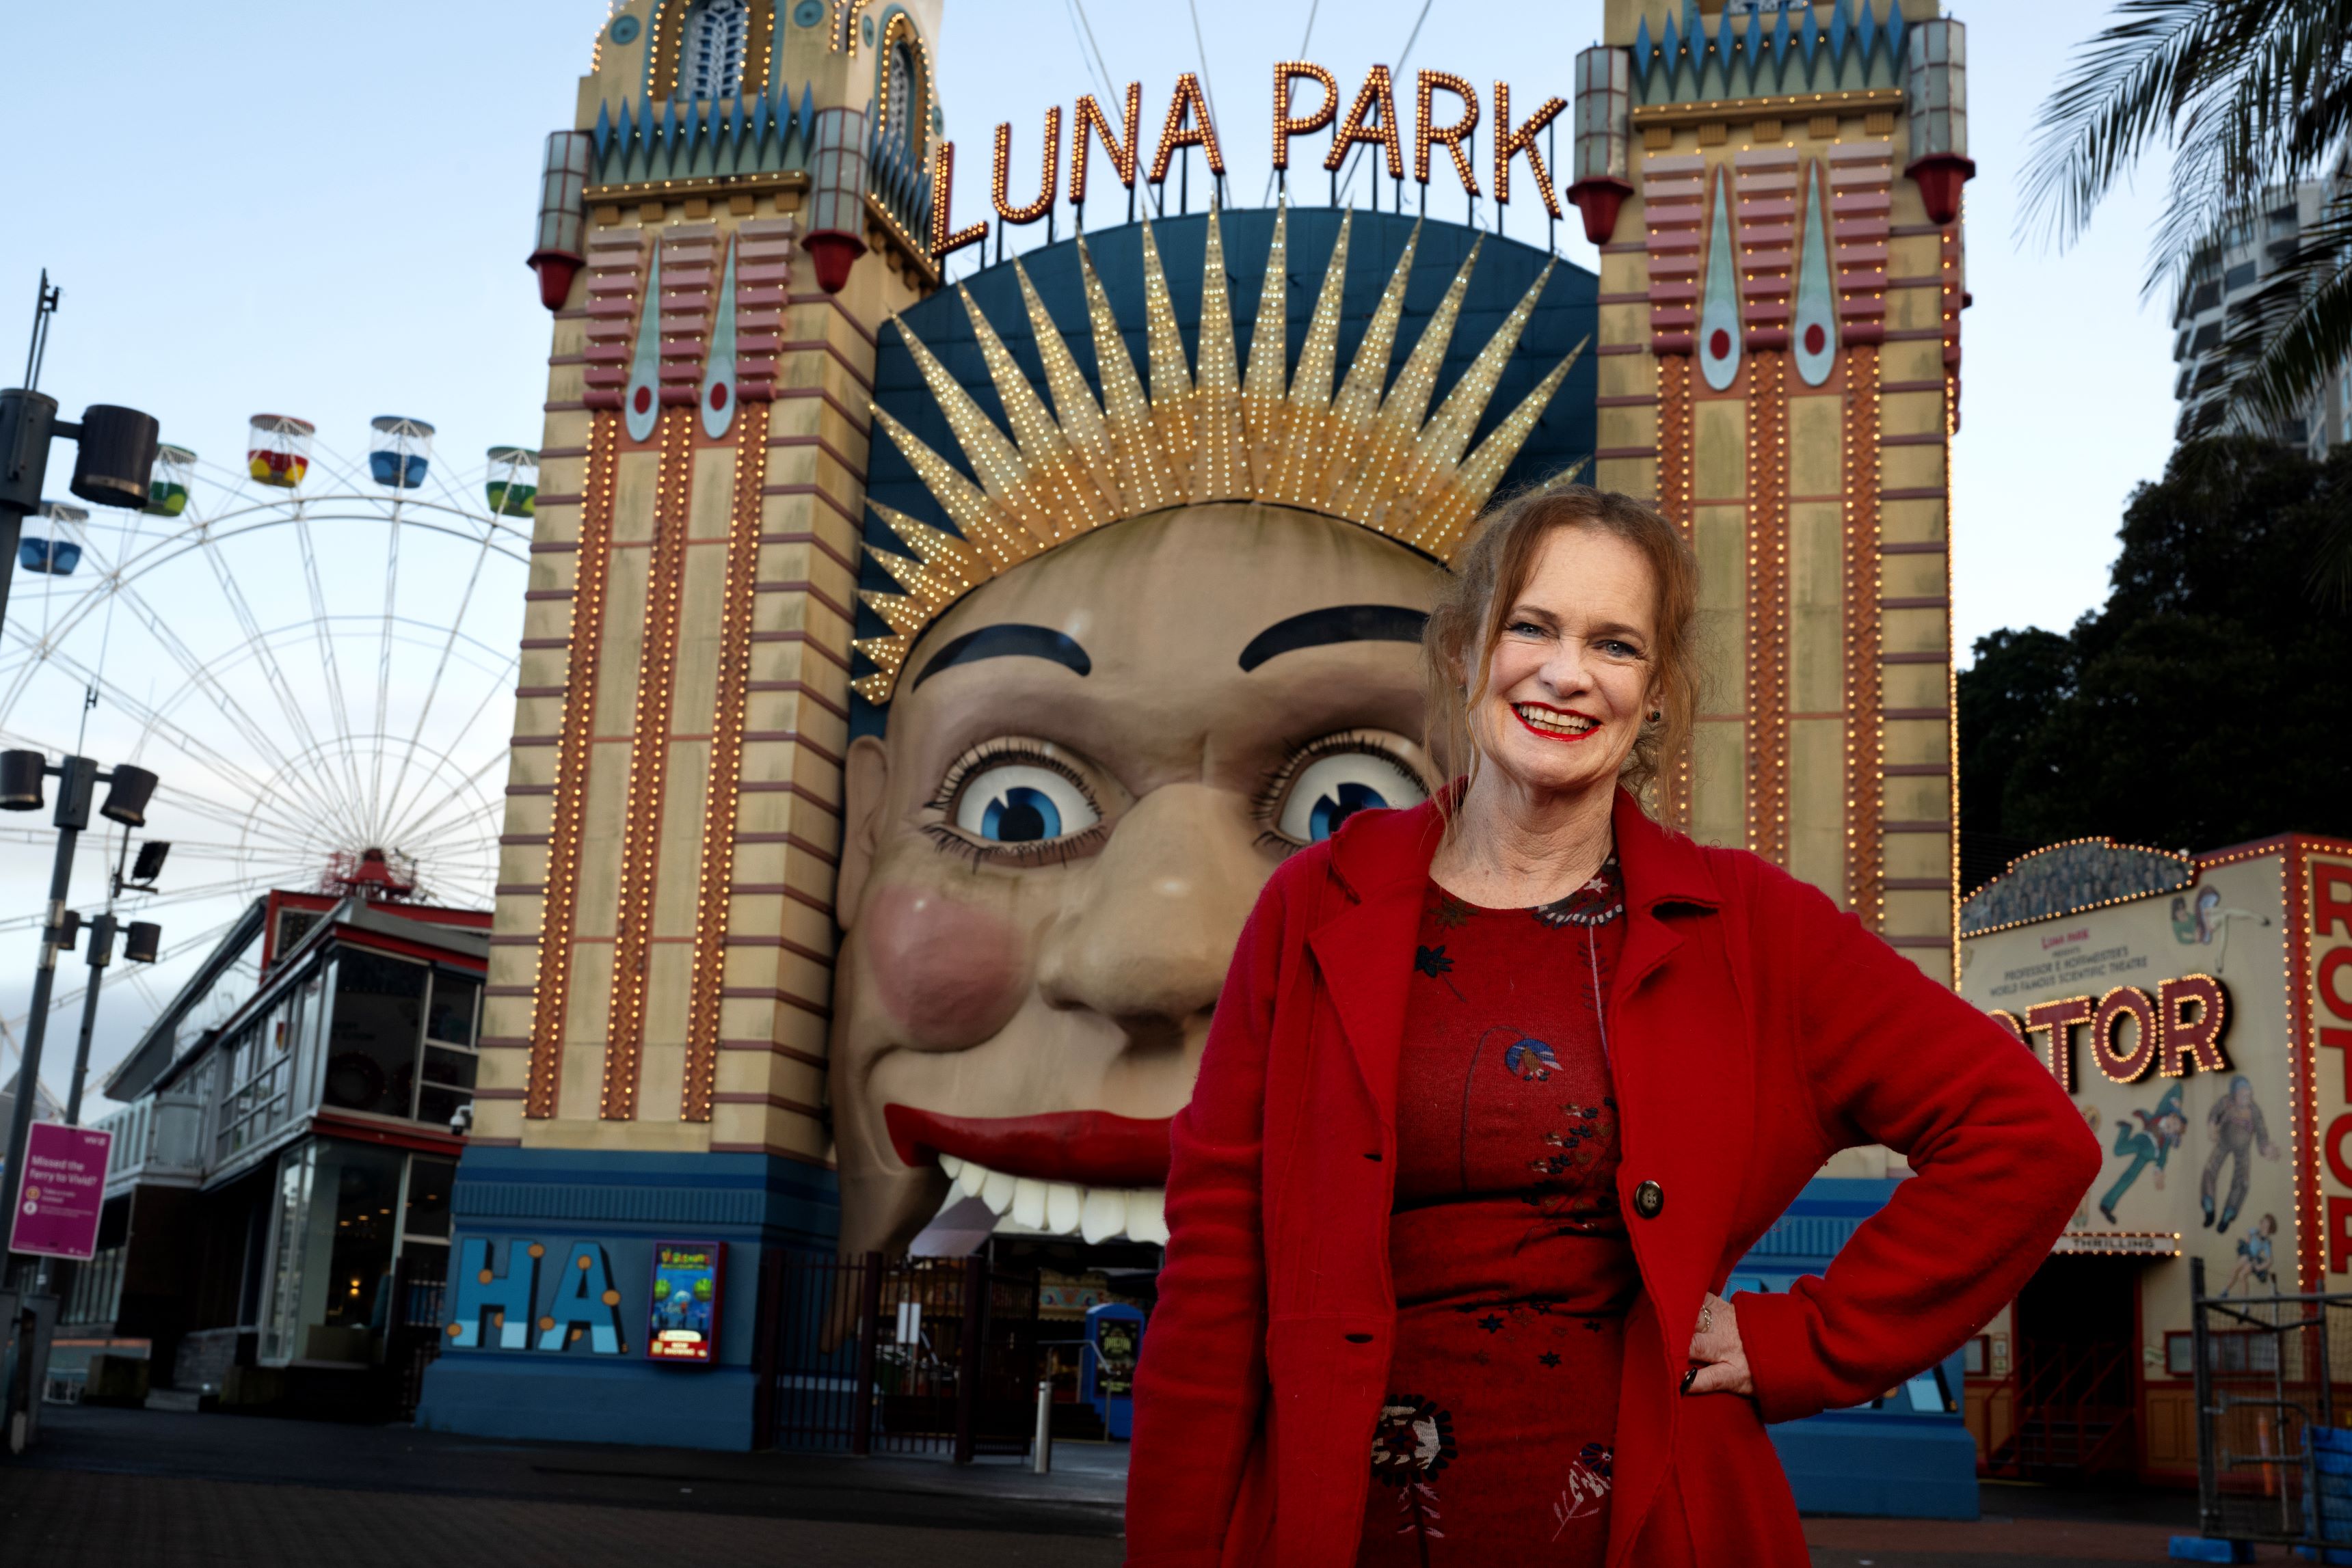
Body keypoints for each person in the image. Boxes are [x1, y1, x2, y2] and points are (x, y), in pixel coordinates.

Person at [1124, 487, 2102, 1567]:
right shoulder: (1315, 904)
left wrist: (1798, 1338)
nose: (1566, 671)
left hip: (1655, 1524)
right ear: (1466, 649)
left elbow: (2027, 1137)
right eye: (1531, 625)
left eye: (1616, 643)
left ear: (1656, 693)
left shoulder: (1752, 929)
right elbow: (1216, 1270)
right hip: (1334, 1528)